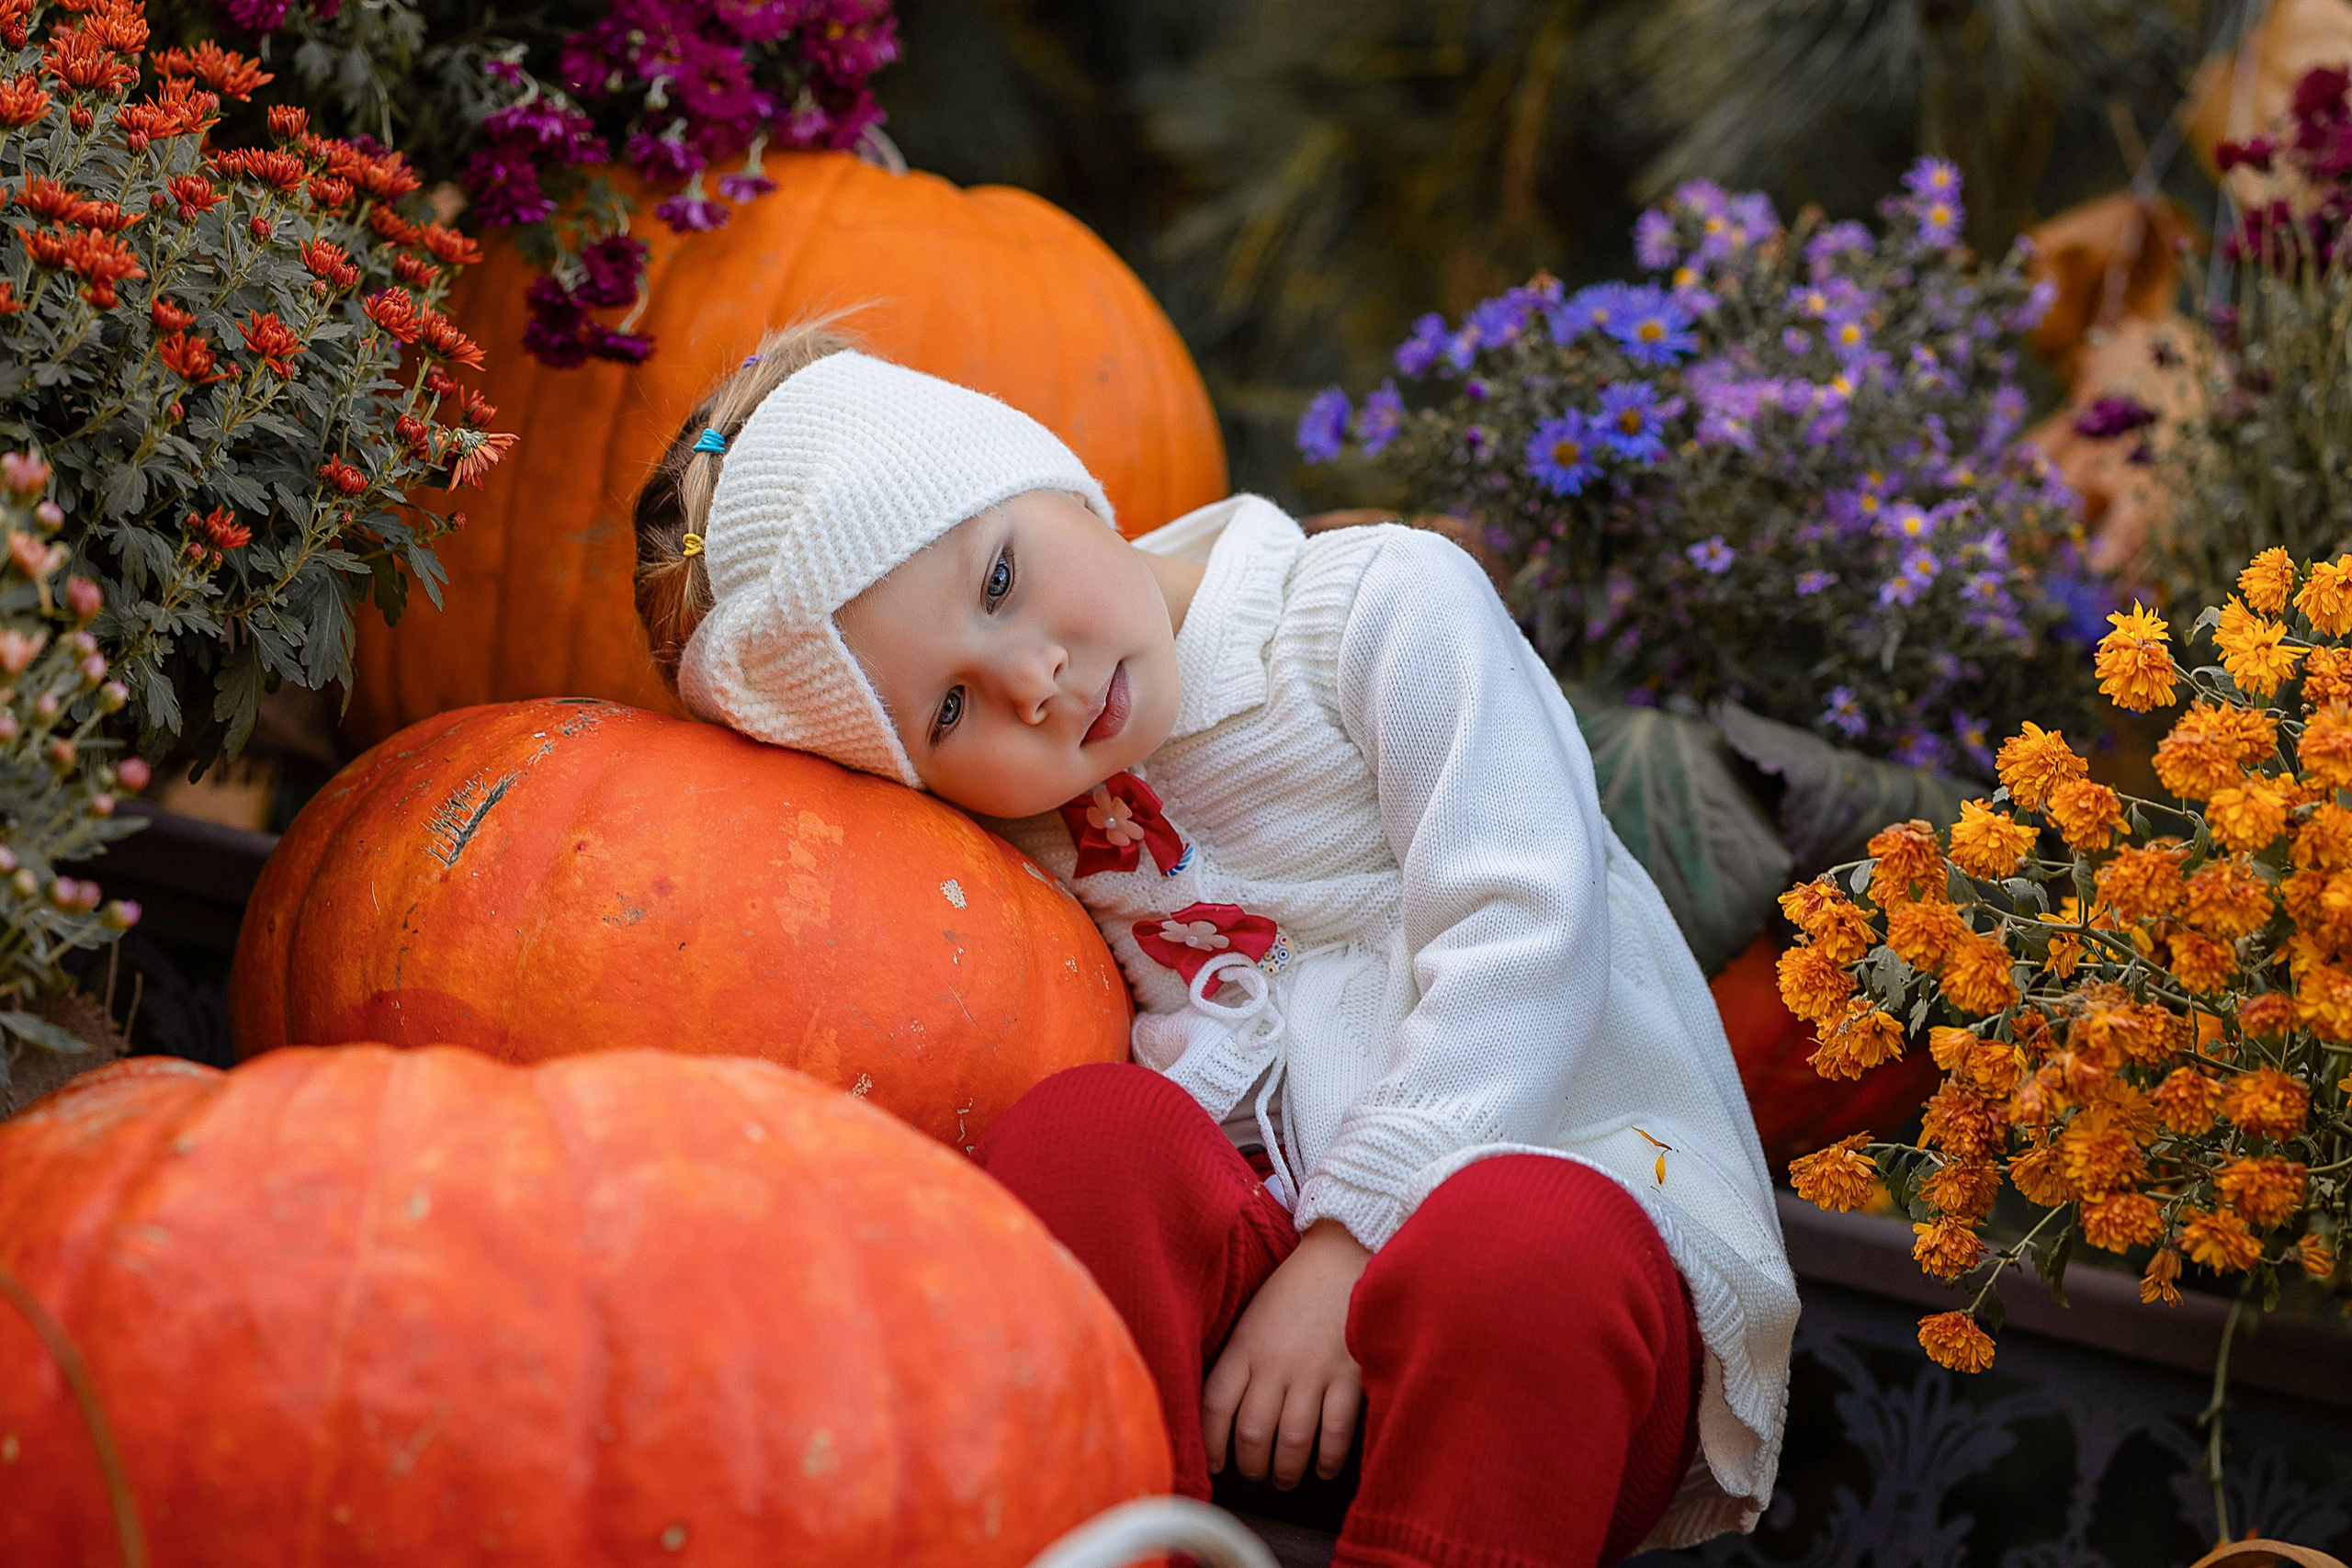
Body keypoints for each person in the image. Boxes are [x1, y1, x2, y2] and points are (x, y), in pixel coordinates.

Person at [632, 321, 1799, 1567]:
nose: (1036, 680)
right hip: (1260, 1367)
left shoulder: (1377, 607)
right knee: (1089, 1136)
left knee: (1518, 1241)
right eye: (951, 707)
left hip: (1548, 1339)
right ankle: (1120, 1532)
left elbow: (1526, 931)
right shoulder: (1035, 828)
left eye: (999, 580)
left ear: (1052, 470)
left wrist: (1349, 1245)